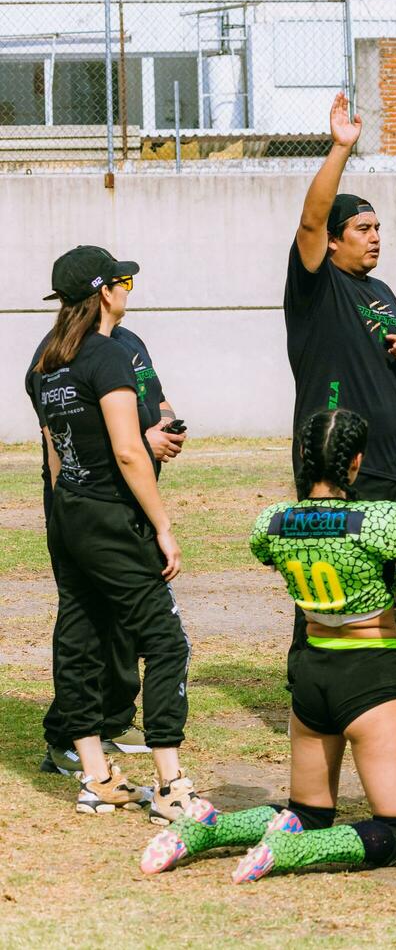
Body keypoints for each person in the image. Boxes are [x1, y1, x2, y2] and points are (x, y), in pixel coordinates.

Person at [142, 409, 396, 880]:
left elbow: (269, 550)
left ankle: (212, 829)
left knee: (308, 812)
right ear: (355, 462)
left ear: (303, 456)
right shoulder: (383, 518)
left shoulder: (273, 520)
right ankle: (290, 853)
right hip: (368, 673)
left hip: (311, 675)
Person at [27, 245, 196, 821]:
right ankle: (172, 786)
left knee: (79, 633)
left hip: (67, 512)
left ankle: (95, 774)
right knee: (166, 640)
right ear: (105, 291)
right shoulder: (105, 356)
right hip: (110, 515)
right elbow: (129, 451)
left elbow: (55, 457)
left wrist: (64, 516)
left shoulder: (44, 363)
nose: (128, 288)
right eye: (123, 280)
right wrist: (162, 526)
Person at [283, 92, 396, 688]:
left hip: (388, 461)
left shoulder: (381, 291)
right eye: (362, 228)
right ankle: (311, 680)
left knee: (386, 576)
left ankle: (377, 681)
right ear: (333, 241)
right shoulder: (317, 286)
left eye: (378, 228)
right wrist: (341, 147)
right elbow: (310, 219)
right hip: (335, 461)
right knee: (328, 572)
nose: (374, 237)